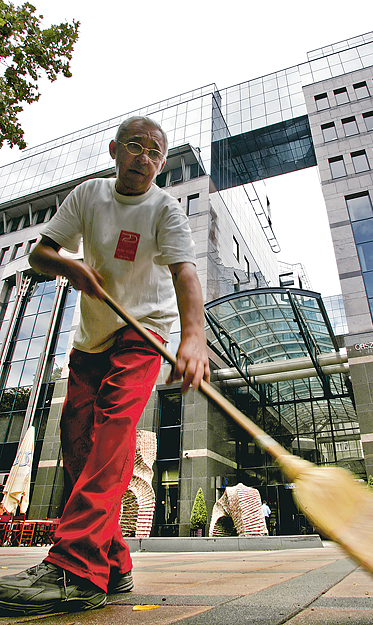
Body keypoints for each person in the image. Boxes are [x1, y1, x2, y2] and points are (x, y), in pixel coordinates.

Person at [0, 116, 210, 616]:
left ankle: (75, 568)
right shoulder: (88, 197)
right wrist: (71, 266)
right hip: (90, 340)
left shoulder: (166, 209)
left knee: (114, 432)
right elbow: (40, 255)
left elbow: (185, 272)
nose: (144, 157)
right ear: (115, 149)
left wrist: (194, 338)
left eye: (155, 152)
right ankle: (113, 565)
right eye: (135, 146)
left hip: (143, 334)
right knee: (78, 449)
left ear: (161, 163)